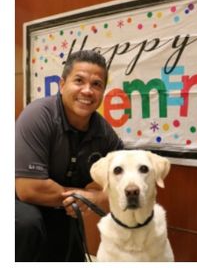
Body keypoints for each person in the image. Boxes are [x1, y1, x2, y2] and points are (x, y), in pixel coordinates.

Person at [15, 50, 124, 261]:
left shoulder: (103, 131)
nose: (87, 90)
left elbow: (127, 177)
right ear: (62, 84)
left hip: (61, 207)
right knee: (27, 222)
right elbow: (28, 189)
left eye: (96, 84)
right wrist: (84, 195)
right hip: (17, 204)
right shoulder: (37, 115)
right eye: (79, 81)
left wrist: (96, 197)